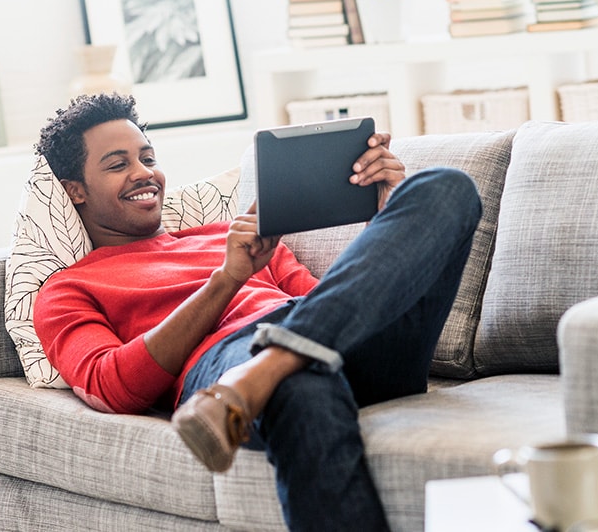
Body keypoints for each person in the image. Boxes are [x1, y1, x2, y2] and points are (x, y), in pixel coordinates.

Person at [33, 93, 481, 531]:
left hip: (331, 348)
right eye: (118, 164)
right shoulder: (67, 289)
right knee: (300, 386)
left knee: (445, 186)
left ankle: (262, 375)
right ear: (75, 191)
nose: (143, 174)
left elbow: (331, 304)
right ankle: (274, 369)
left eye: (147, 158)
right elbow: (112, 387)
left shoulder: (236, 233)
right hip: (231, 356)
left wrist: (386, 221)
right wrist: (226, 279)